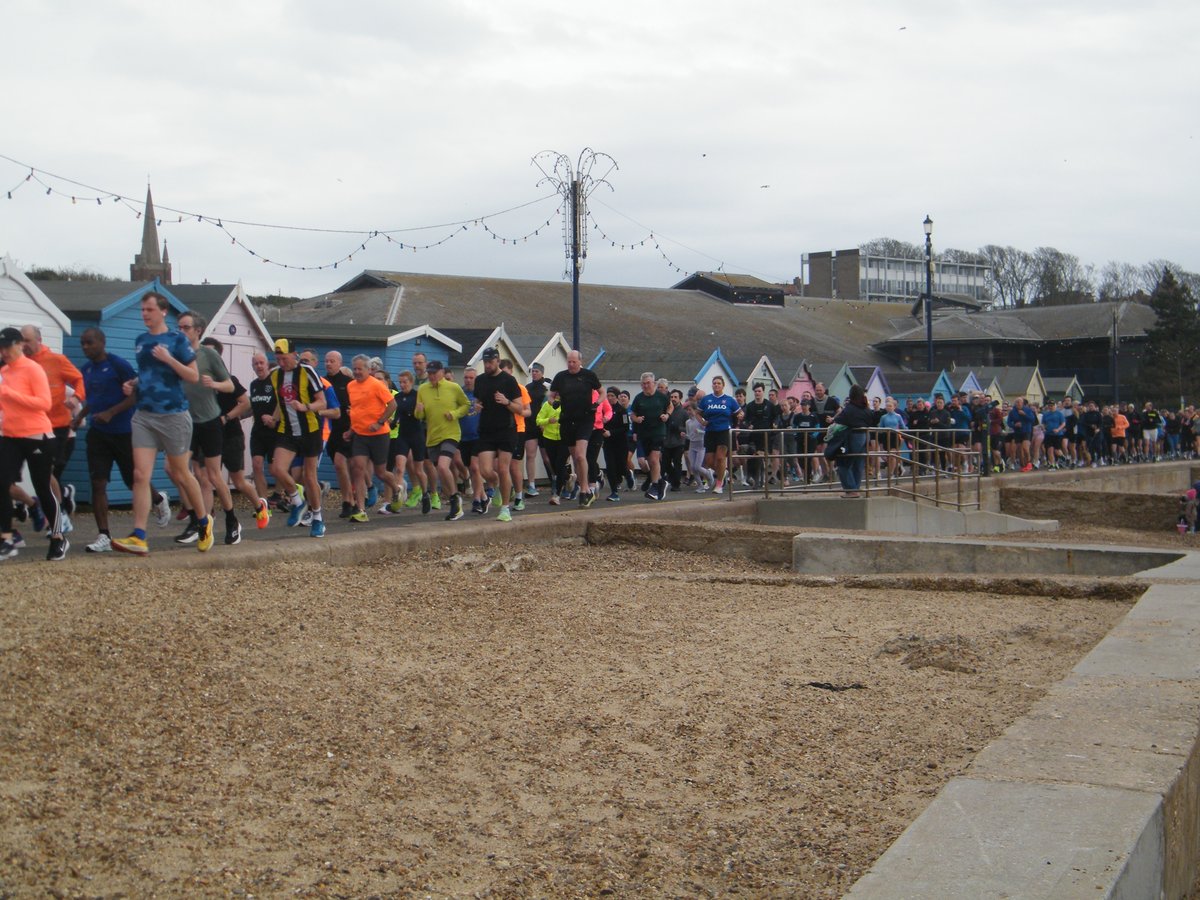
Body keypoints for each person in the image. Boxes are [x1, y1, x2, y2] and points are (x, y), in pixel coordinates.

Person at [112, 292, 212, 556]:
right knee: (140, 475)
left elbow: (193, 375)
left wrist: (169, 359)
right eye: (142, 310)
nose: (144, 314)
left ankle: (203, 521)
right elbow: (146, 374)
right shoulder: (141, 341)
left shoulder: (177, 340)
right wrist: (131, 384)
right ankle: (139, 535)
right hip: (145, 414)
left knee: (181, 473)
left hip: (174, 416)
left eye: (149, 310)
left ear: (163, 312)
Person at [72, 326, 171, 552]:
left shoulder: (118, 365)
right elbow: (94, 400)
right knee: (98, 483)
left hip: (124, 432)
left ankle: (158, 499)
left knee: (133, 481)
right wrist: (79, 416)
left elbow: (135, 396)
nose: (85, 347)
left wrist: (111, 413)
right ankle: (104, 536)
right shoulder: (86, 370)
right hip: (98, 434)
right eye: (82, 343)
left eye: (89, 343)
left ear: (102, 342)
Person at [0, 327, 69, 560]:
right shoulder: (5, 372)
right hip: (10, 435)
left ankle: (58, 536)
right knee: (2, 483)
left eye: (8, 346)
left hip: (37, 435)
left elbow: (43, 403)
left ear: (19, 345)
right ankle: (7, 538)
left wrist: (9, 394)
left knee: (42, 488)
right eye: (1, 348)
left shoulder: (33, 369)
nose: (4, 352)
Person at [175, 312, 243, 545]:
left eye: (186, 327)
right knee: (177, 470)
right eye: (179, 327)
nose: (181, 331)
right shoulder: (176, 355)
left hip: (210, 421)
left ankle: (232, 520)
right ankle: (198, 519)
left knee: (213, 476)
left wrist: (213, 383)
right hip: (186, 421)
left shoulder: (208, 354)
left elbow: (229, 385)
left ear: (198, 331)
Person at [263, 338, 327, 538]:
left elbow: (322, 402)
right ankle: (297, 502)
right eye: (278, 359)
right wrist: (273, 417)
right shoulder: (275, 375)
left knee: (309, 477)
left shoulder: (307, 372)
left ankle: (317, 518)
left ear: (294, 355)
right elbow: (281, 403)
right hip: (287, 429)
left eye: (284, 358)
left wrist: (305, 407)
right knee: (276, 469)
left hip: (310, 429)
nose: (281, 363)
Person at [21, 324, 85, 518]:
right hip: (31, 426)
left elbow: (78, 379)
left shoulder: (56, 360)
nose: (24, 345)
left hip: (57, 425)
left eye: (27, 340)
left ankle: (58, 519)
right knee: (42, 475)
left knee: (47, 471)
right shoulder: (21, 363)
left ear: (39, 340)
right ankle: (62, 499)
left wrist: (76, 398)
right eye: (21, 340)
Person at [415, 358, 471, 521]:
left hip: (451, 433)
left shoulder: (453, 387)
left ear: (441, 372)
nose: (431, 376)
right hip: (432, 436)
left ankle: (454, 500)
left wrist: (454, 414)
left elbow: (466, 405)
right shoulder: (423, 389)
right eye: (429, 373)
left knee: (442, 466)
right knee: (441, 471)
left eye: (434, 373)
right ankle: (454, 497)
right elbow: (420, 415)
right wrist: (419, 411)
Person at [472, 347, 524, 521]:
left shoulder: (509, 380)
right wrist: (476, 406)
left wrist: (506, 401)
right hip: (486, 430)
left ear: (497, 360)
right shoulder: (480, 380)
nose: (487, 365)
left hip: (506, 430)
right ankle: (497, 486)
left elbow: (520, 408)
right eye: (485, 362)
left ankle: (505, 508)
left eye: (490, 362)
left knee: (503, 468)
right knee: (485, 470)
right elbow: (478, 401)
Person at [549, 350, 602, 507]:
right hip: (567, 420)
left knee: (580, 455)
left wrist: (597, 404)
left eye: (574, 362)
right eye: (569, 361)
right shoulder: (561, 377)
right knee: (575, 458)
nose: (571, 364)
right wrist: (554, 403)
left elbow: (602, 392)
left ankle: (585, 491)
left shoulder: (588, 375)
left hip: (585, 419)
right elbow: (550, 395)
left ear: (580, 361)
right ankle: (583, 486)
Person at [695, 375, 741, 493]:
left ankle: (719, 485)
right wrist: (702, 422)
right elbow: (697, 413)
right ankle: (723, 473)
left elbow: (740, 412)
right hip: (710, 431)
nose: (716, 385)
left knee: (720, 458)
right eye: (714, 383)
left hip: (724, 431)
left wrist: (740, 416)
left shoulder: (730, 400)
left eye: (719, 383)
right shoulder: (706, 399)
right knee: (709, 461)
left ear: (723, 385)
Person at [631, 371, 671, 500]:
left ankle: (654, 486)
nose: (646, 386)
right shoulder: (638, 398)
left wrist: (667, 415)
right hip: (644, 432)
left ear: (653, 383)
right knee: (649, 460)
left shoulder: (661, 397)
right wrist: (636, 419)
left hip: (658, 431)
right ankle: (661, 481)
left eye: (648, 383)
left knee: (654, 459)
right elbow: (632, 414)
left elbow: (670, 407)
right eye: (643, 384)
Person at [829, 383, 873, 497]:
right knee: (858, 465)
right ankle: (855, 489)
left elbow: (839, 420)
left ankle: (851, 489)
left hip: (852, 436)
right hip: (865, 435)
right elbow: (871, 420)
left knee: (844, 464)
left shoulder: (850, 408)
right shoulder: (866, 408)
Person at [524, 361, 550, 496]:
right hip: (531, 425)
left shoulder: (548, 387)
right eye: (532, 371)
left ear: (542, 373)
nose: (534, 373)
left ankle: (557, 480)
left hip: (545, 426)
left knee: (547, 458)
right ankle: (531, 485)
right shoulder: (527, 388)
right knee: (530, 455)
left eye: (537, 371)